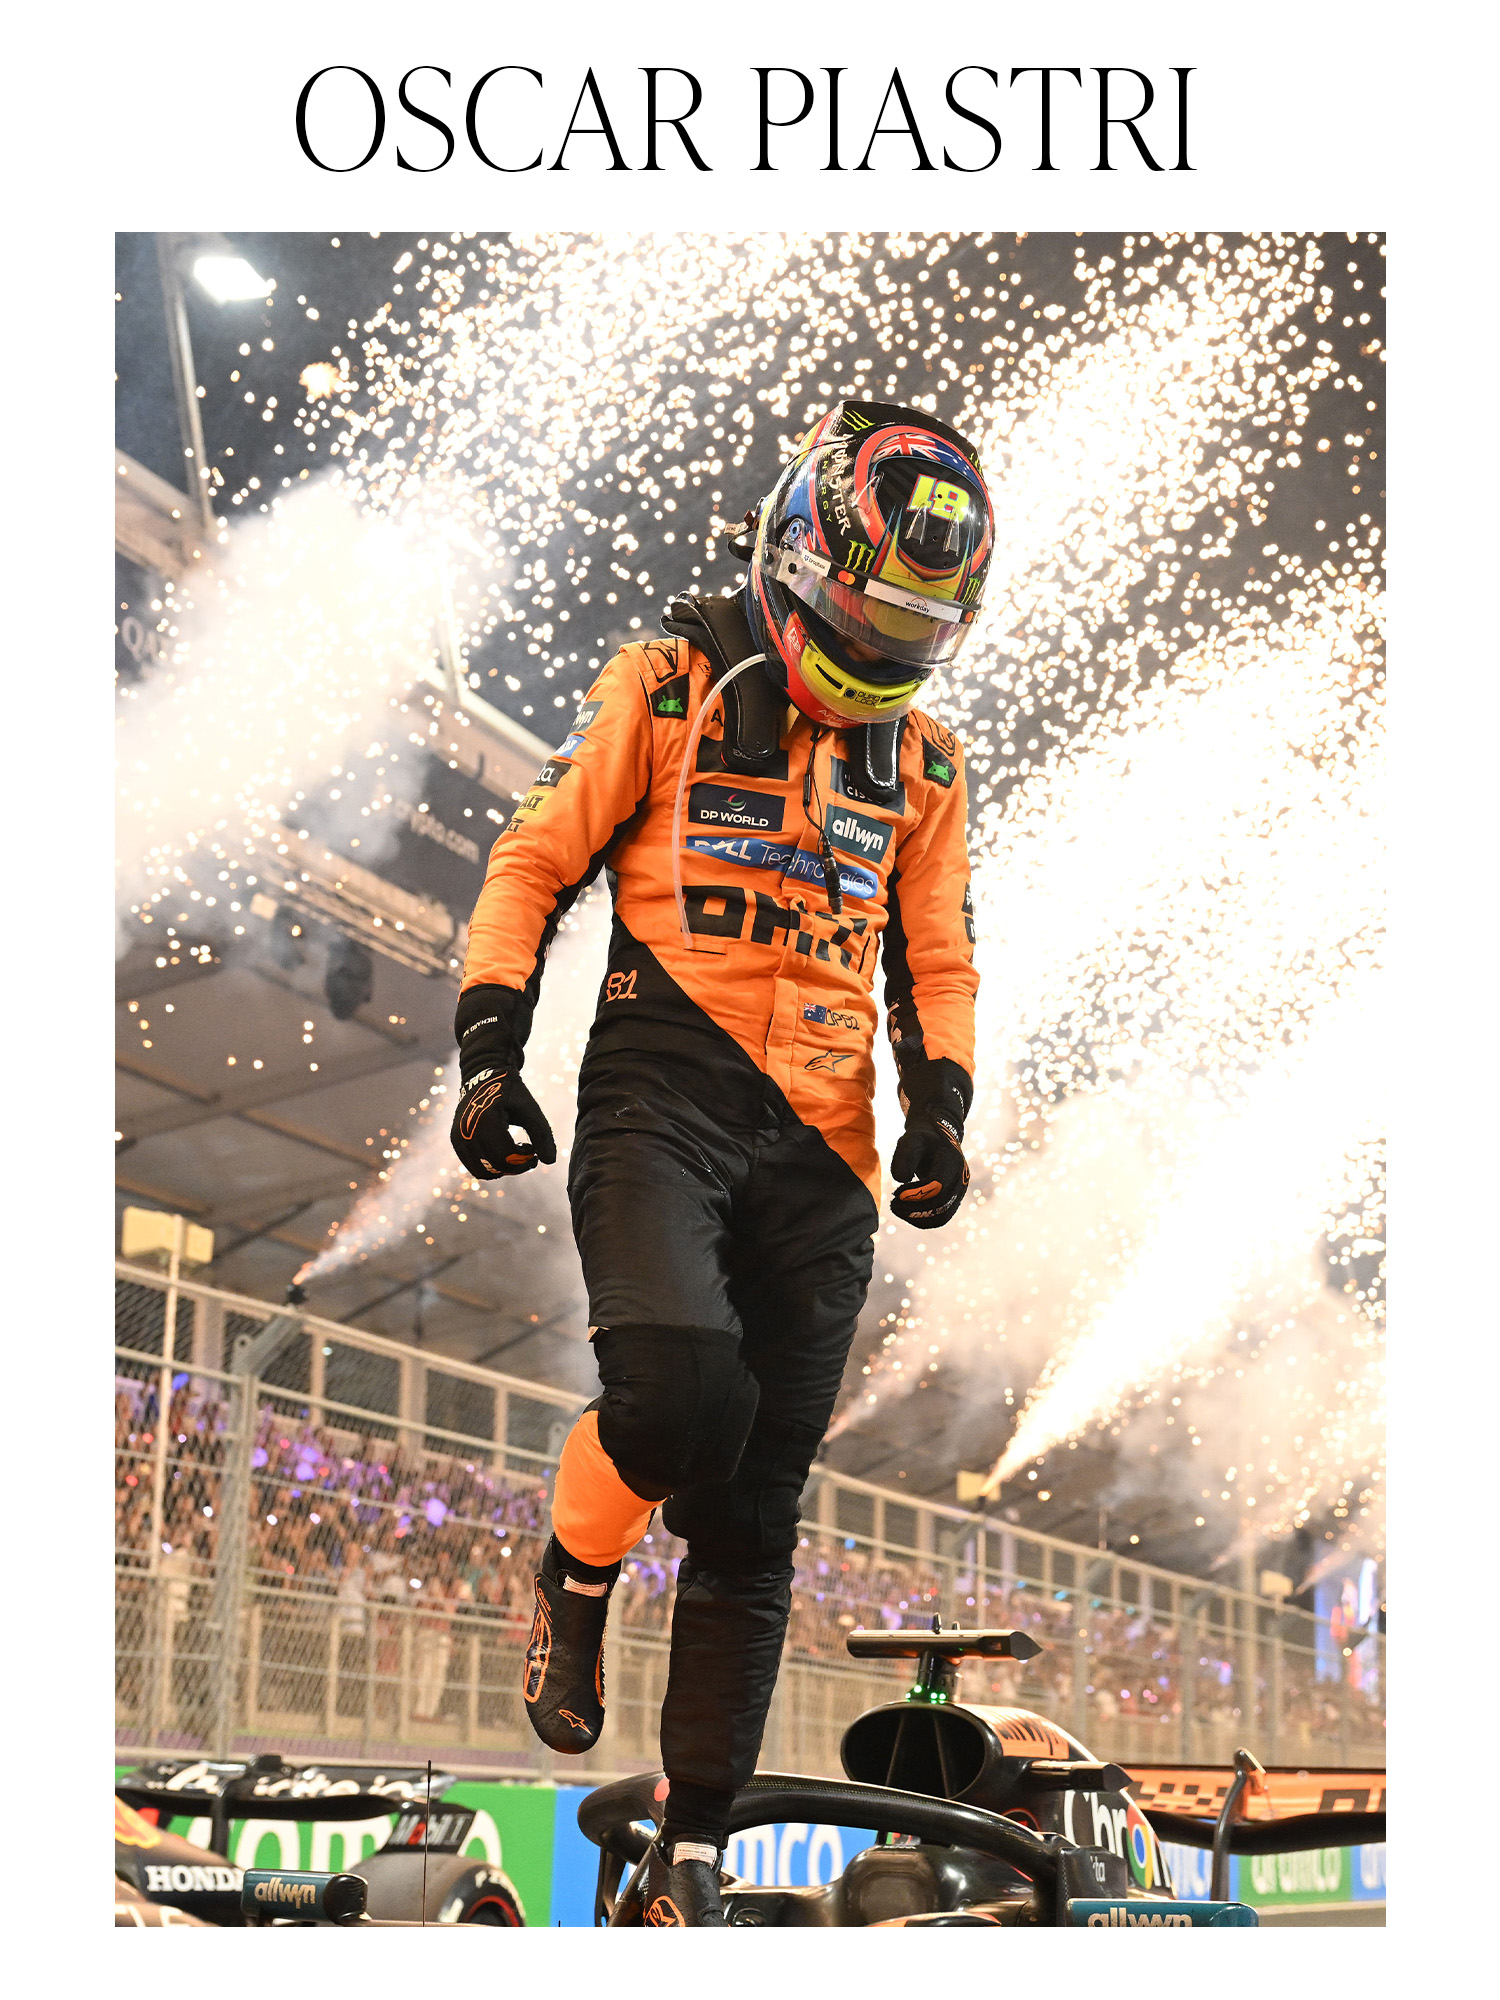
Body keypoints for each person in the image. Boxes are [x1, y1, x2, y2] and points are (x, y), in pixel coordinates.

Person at [452, 399, 991, 1925]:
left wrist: (939, 1109)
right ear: (813, 546)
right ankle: (570, 1573)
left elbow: (936, 957)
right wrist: (489, 1051)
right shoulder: (670, 675)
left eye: (921, 621)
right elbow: (535, 861)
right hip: (660, 1096)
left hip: (826, 1158)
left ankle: (690, 1863)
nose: (891, 643)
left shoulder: (934, 764)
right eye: (877, 604)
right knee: (684, 1405)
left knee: (756, 1523)